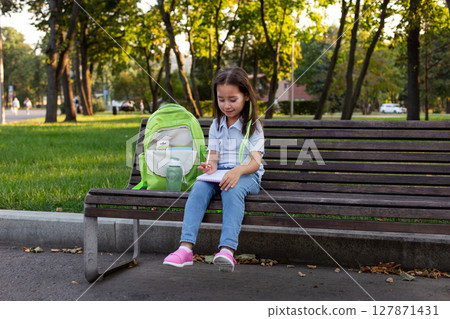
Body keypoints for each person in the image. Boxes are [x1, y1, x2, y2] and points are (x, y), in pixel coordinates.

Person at [163, 67, 264, 272]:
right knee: (199, 188)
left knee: (231, 188)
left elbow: (255, 163)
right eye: (221, 99)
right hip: (221, 173)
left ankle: (227, 250)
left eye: (232, 99)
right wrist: (210, 166)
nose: (226, 105)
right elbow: (214, 158)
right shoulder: (217, 125)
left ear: (245, 96)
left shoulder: (253, 126)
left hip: (247, 175)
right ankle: (185, 248)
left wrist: (237, 171)